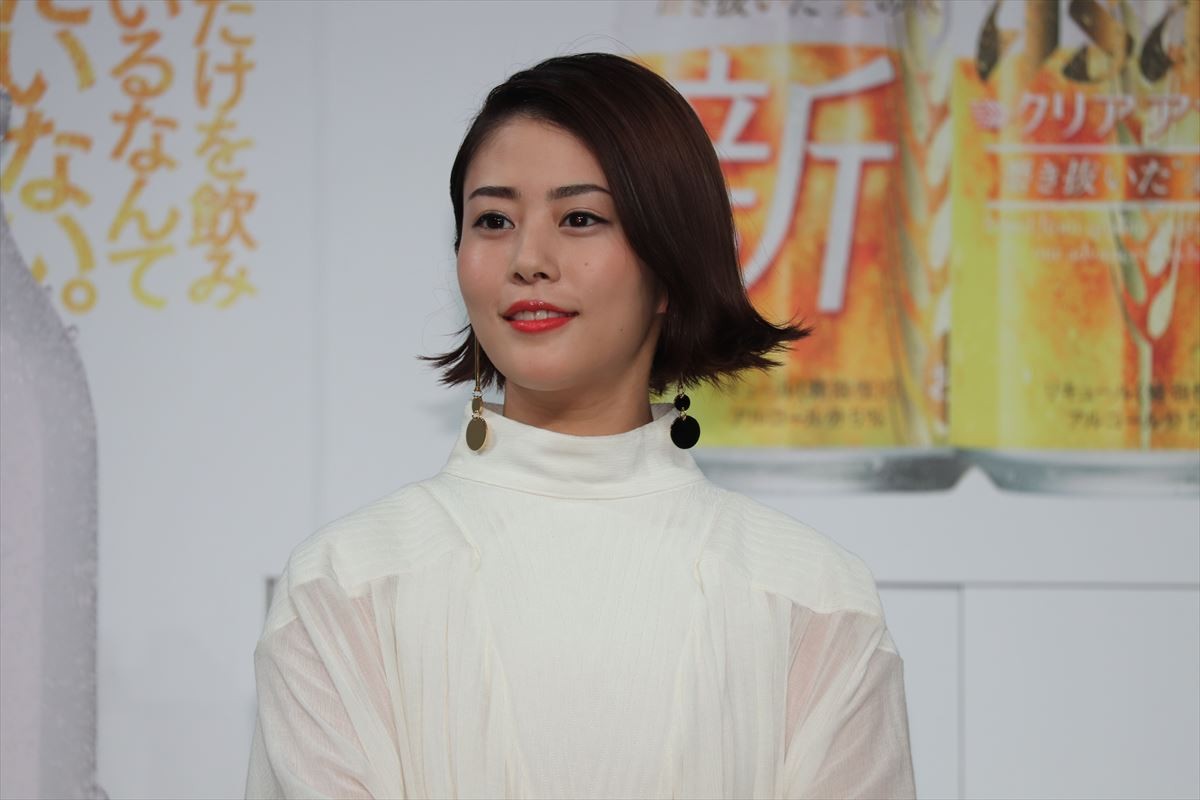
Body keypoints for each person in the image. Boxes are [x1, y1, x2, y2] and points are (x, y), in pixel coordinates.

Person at [246, 52, 915, 799]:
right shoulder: (345, 584)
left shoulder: (811, 595)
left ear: (670, 264)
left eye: (580, 218)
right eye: (493, 220)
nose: (528, 259)